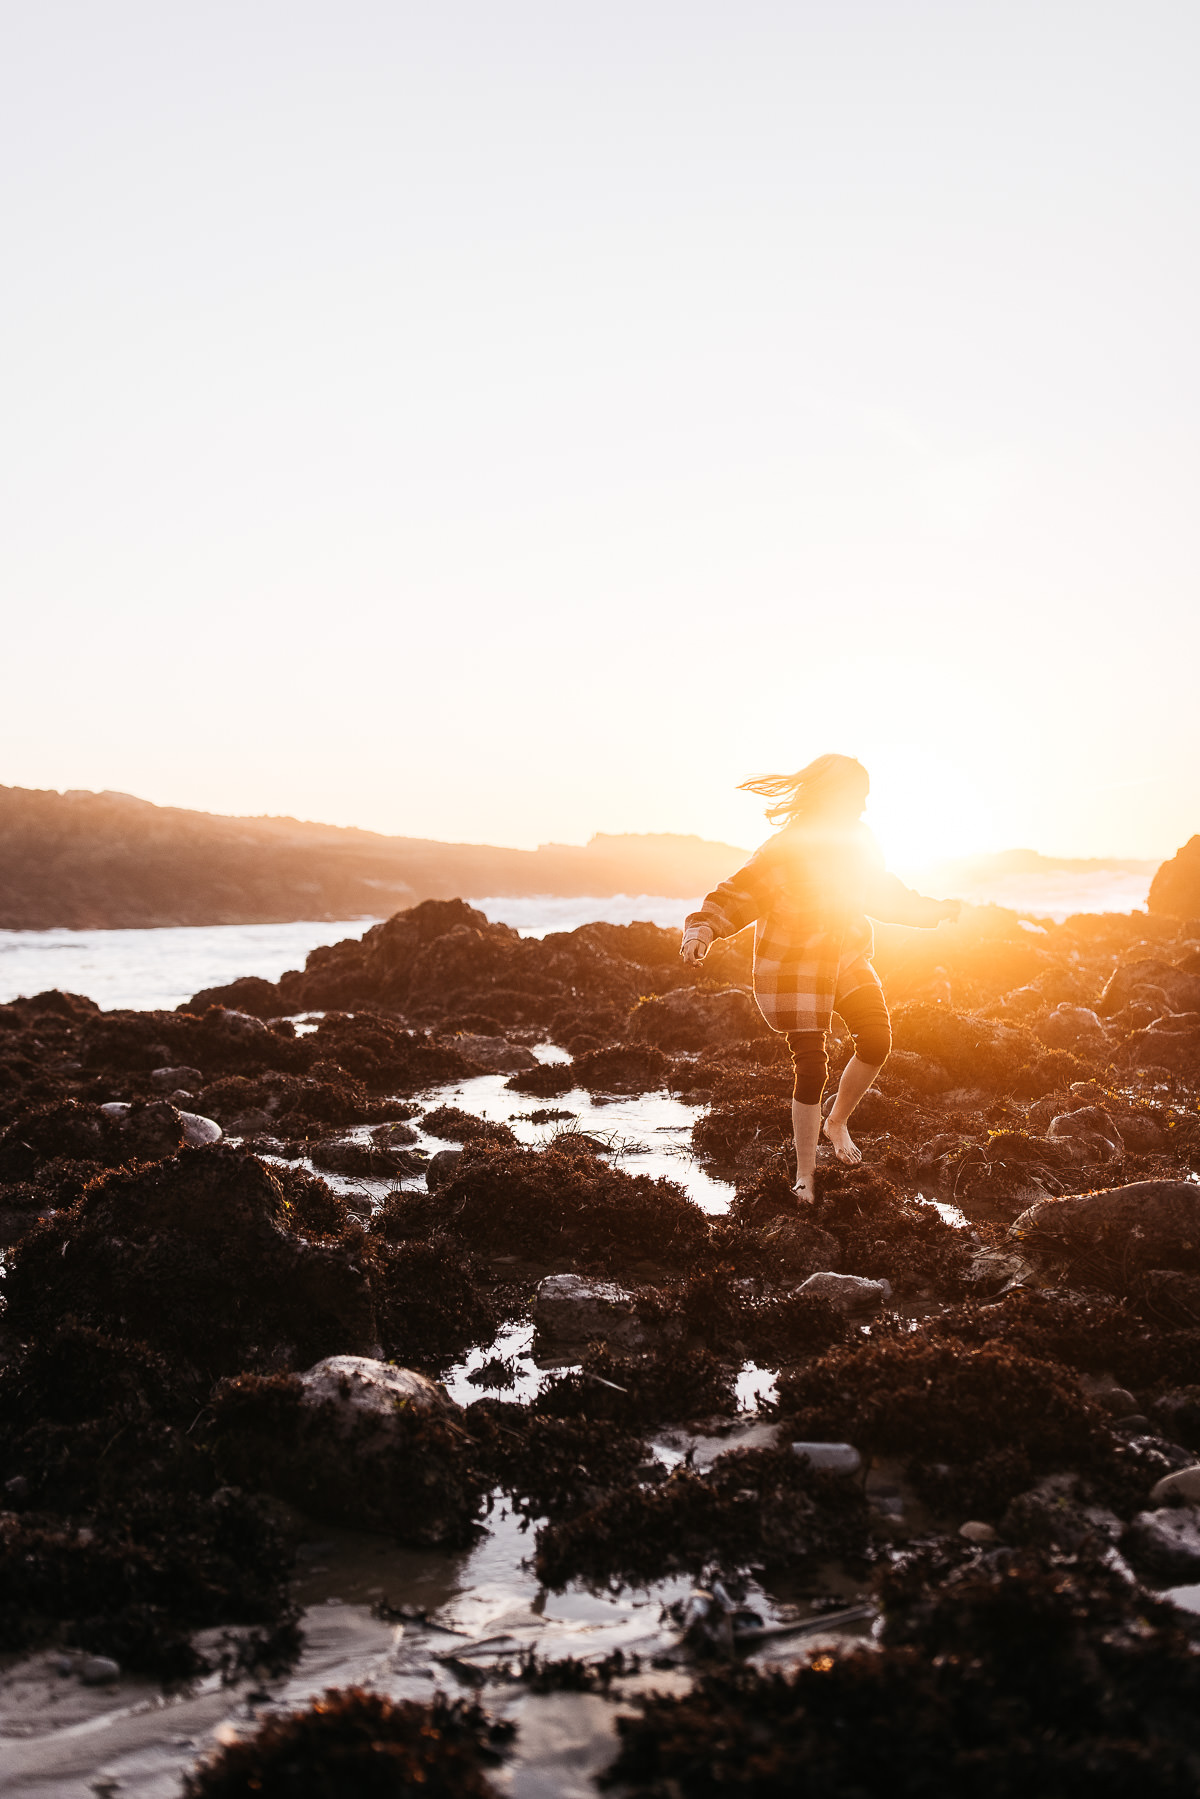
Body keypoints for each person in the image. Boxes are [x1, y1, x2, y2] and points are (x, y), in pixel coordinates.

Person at [680, 754, 959, 1204]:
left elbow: (883, 892)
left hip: (845, 956)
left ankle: (837, 1121)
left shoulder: (859, 841)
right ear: (833, 797)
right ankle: (805, 1175)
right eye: (858, 797)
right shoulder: (783, 851)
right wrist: (702, 930)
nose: (864, 807)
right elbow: (735, 894)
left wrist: (933, 911)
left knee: (876, 1040)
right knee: (811, 1068)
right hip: (794, 968)